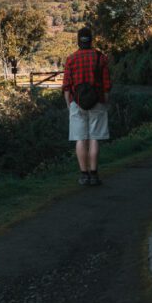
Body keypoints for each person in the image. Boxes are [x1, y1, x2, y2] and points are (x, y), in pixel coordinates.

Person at [61, 26, 112, 186]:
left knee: (80, 139)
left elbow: (67, 86)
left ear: (78, 40)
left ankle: (84, 175)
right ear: (91, 40)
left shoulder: (71, 59)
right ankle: (94, 175)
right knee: (94, 138)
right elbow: (106, 85)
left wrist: (70, 106)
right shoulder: (100, 58)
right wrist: (105, 101)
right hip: (97, 101)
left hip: (77, 102)